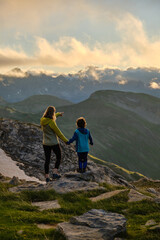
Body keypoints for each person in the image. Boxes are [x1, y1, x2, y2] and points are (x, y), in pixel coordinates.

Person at [40, 106, 68, 183]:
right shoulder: (52, 122)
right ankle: (55, 173)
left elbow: (52, 116)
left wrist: (58, 114)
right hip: (54, 143)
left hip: (45, 143)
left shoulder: (42, 120)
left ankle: (47, 178)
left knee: (47, 160)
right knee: (59, 156)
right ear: (52, 113)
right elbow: (58, 133)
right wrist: (66, 141)